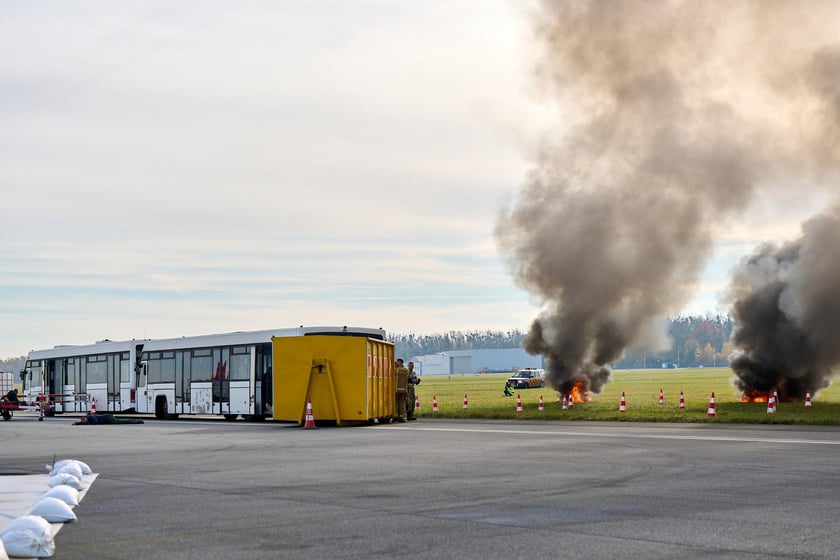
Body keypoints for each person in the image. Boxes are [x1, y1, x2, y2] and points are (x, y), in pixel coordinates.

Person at [394, 358, 409, 422]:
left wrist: (394, 365)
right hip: (403, 389)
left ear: (400, 362)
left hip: (396, 389)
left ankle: (396, 416)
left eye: (397, 362)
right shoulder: (406, 370)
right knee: (401, 404)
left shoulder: (397, 370)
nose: (396, 363)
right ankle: (401, 416)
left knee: (396, 403)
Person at [73, 413, 144, 425]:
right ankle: (138, 420)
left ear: (85, 418)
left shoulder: (91, 417)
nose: (84, 421)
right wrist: (76, 423)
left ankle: (139, 421)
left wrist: (88, 423)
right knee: (121, 420)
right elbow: (83, 423)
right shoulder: (87, 420)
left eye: (84, 420)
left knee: (120, 422)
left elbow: (95, 422)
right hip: (107, 418)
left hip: (108, 417)